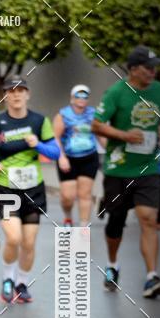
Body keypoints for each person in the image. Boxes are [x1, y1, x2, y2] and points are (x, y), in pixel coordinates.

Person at [92, 45, 160, 298]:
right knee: (116, 222)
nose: (153, 72)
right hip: (118, 169)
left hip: (148, 168)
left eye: (155, 67)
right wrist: (124, 135)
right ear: (133, 69)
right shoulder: (117, 92)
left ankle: (151, 276)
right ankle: (112, 265)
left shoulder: (159, 91)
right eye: (148, 67)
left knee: (148, 218)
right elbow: (96, 125)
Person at [0, 77, 60, 303]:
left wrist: (39, 145)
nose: (16, 95)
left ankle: (22, 283)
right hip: (5, 188)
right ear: (5, 95)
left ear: (28, 94)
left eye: (20, 90)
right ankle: (7, 279)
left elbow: (55, 153)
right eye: (11, 91)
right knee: (13, 238)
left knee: (29, 242)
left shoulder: (39, 121)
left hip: (32, 189)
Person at [53, 85, 101, 227]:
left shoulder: (94, 114)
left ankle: (83, 226)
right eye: (78, 96)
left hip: (89, 157)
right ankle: (68, 216)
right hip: (68, 158)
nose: (81, 99)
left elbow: (101, 135)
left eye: (85, 96)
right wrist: (61, 157)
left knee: (85, 194)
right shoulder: (62, 115)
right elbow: (55, 137)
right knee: (68, 197)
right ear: (72, 98)